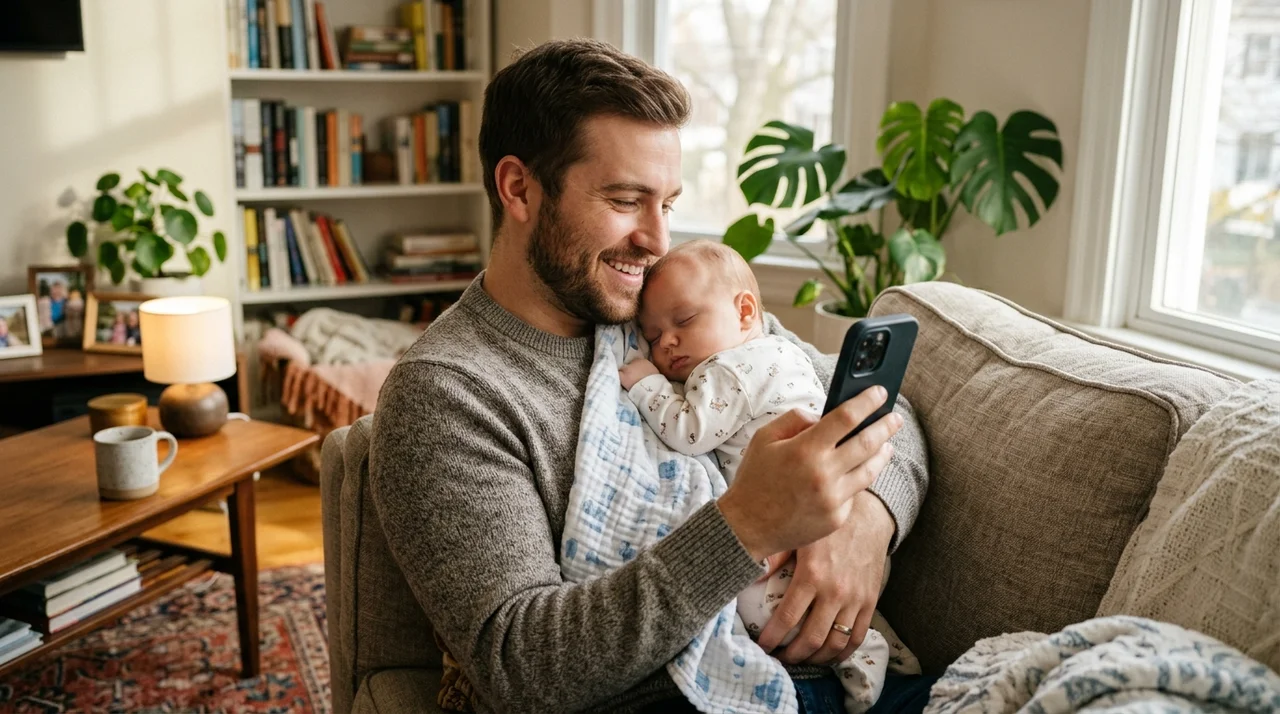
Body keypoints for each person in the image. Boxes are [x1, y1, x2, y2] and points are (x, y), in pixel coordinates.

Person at [369, 39, 934, 714]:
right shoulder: (449, 392)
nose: (657, 240)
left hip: (835, 674)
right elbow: (523, 665)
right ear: (519, 188)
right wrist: (747, 524)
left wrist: (865, 526)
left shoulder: (664, 316)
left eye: (667, 203)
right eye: (627, 199)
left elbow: (885, 409)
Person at [619, 240, 919, 712]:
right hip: (834, 504)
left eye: (683, 321)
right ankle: (878, 644)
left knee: (757, 605)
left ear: (744, 312)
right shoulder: (780, 351)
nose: (667, 343)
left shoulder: (727, 370)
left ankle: (863, 653)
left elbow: (690, 429)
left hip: (801, 525)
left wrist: (645, 381)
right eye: (652, 337)